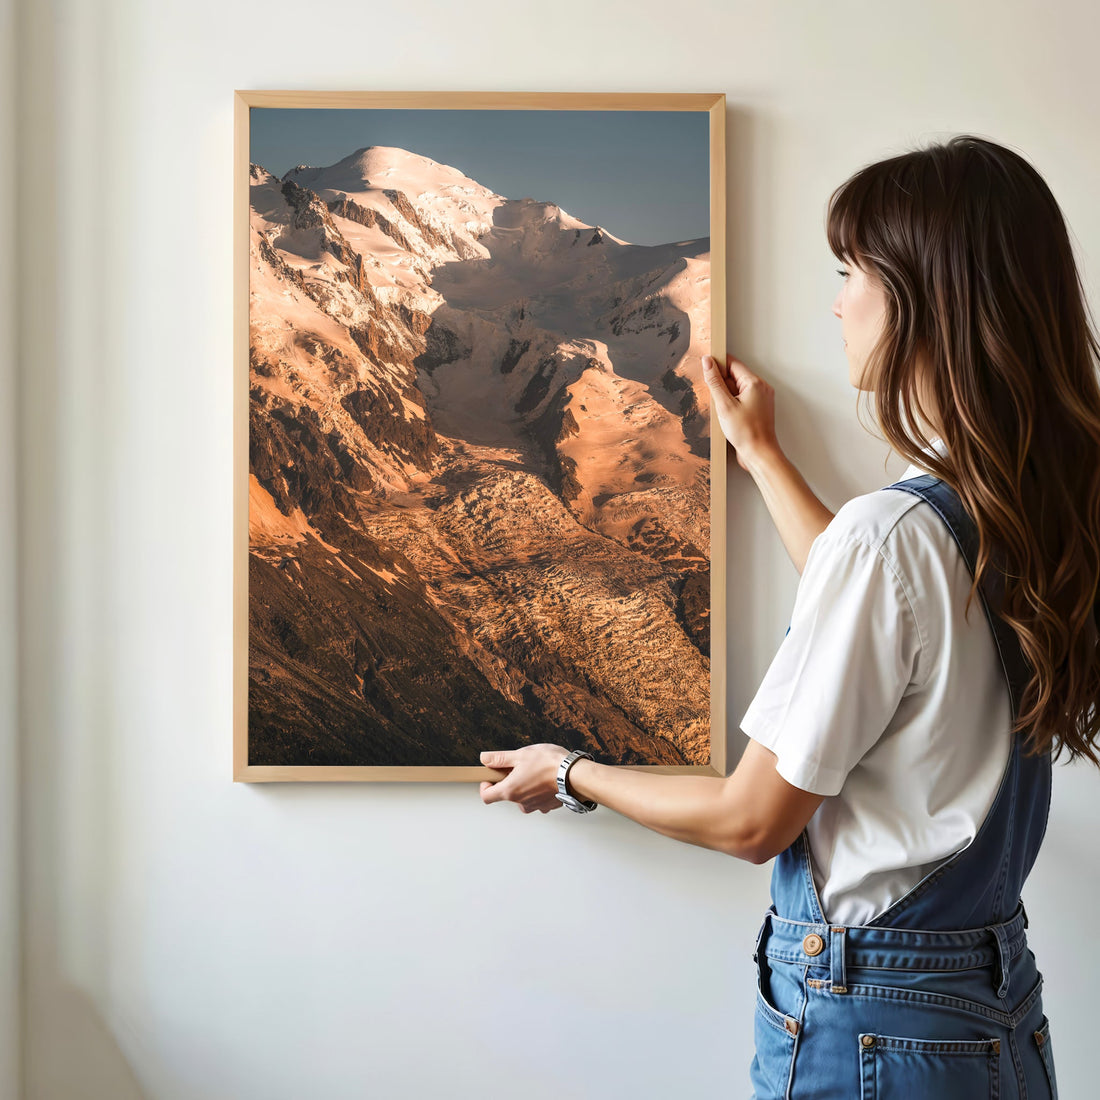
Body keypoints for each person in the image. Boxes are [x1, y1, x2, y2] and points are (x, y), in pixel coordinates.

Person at [477, 134, 1100, 1098]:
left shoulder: (895, 535)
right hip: (987, 1010)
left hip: (872, 1025)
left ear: (925, 300)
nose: (838, 300)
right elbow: (892, 624)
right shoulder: (1021, 507)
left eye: (852, 272)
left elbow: (750, 819)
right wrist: (763, 456)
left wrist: (570, 772)